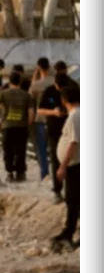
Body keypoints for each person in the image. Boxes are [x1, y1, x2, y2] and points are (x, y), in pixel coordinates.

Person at [39, 68, 77, 203]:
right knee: (56, 161)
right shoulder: (49, 91)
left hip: (71, 130)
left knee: (73, 161)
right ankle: (57, 191)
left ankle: (72, 194)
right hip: (54, 131)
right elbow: (40, 110)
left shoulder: (74, 90)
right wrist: (53, 112)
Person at [51, 85, 79, 248]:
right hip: (74, 163)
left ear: (64, 100)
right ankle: (69, 231)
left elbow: (74, 142)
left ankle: (68, 233)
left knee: (72, 199)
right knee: (73, 199)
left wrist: (62, 166)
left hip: (74, 164)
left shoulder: (75, 116)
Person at [0, 71, 35, 182]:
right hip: (21, 127)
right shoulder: (26, 95)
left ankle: (9, 173)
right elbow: (31, 111)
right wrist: (29, 121)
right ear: (20, 82)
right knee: (21, 150)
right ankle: (20, 174)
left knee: (8, 151)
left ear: (9, 81)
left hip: (7, 126)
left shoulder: (3, 94)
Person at [29, 58, 54, 183]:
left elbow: (30, 98)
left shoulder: (37, 85)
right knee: (55, 147)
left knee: (42, 148)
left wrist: (35, 77)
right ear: (49, 67)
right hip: (55, 119)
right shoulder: (55, 82)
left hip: (40, 119)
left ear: (39, 68)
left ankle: (45, 174)